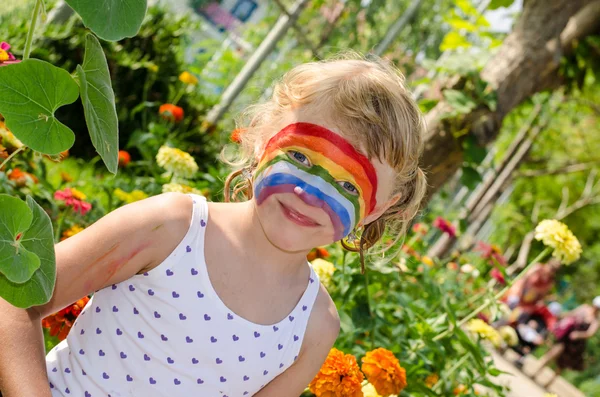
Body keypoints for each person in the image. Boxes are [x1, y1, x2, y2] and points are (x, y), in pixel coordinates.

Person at [0, 54, 427, 397]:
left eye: (347, 183)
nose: (309, 192)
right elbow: (15, 304)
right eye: (299, 157)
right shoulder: (170, 228)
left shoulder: (315, 326)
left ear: (378, 208)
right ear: (261, 137)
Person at [532, 297, 600, 388]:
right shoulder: (584, 308)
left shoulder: (596, 320)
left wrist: (578, 335)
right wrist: (561, 317)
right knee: (552, 354)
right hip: (566, 336)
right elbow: (572, 314)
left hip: (575, 344)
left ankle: (549, 383)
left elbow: (590, 333)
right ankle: (536, 372)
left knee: (562, 364)